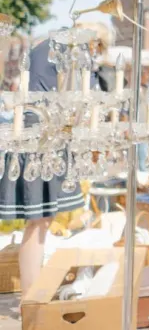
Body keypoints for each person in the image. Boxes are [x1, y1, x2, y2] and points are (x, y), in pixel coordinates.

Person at [0, 20, 112, 299]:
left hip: (41, 136)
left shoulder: (49, 47)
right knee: (38, 221)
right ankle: (31, 298)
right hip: (40, 139)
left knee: (41, 220)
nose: (95, 55)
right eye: (97, 47)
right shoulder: (66, 51)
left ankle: (33, 294)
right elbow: (67, 104)